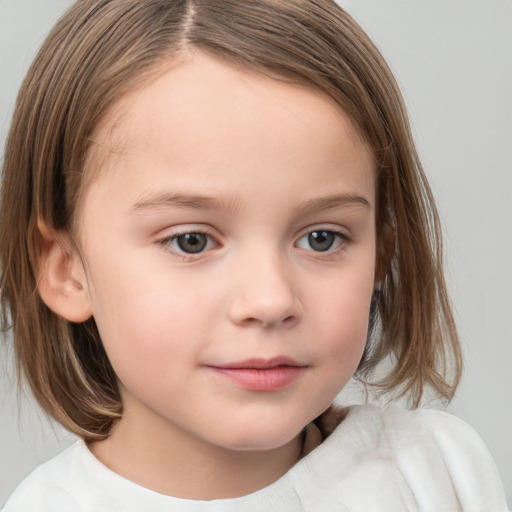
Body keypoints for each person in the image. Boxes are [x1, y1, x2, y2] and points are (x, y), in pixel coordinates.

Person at [0, 0, 507, 510]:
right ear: (66, 269)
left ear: (381, 256)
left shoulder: (438, 473)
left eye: (321, 238)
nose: (269, 300)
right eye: (191, 240)